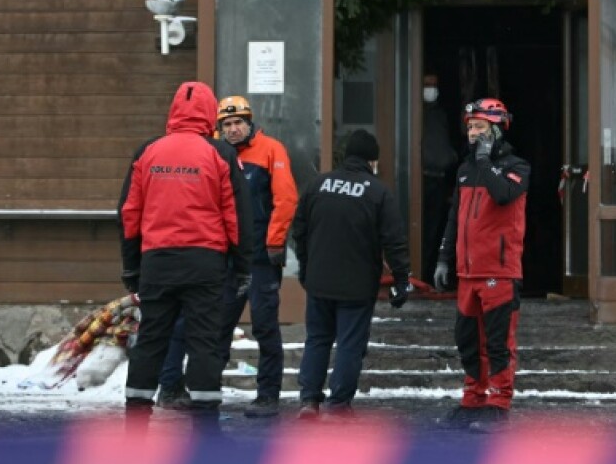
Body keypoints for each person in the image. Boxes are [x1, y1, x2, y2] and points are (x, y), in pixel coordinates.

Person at [118, 81, 253, 430]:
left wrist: (132, 268)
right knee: (204, 341)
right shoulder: (221, 153)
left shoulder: (147, 152)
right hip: (205, 262)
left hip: (157, 262)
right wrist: (242, 266)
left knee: (151, 339)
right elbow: (237, 215)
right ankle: (205, 429)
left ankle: (135, 423)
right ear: (210, 114)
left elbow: (129, 213)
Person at [156, 95, 298, 418]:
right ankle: (206, 392)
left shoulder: (271, 150)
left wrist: (275, 243)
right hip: (224, 259)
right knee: (216, 327)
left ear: (250, 123)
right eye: (227, 124)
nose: (233, 129)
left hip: (261, 258)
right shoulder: (213, 153)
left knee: (265, 326)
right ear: (218, 128)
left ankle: (268, 395)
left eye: (239, 123)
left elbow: (286, 199)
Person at [292, 129, 411, 418]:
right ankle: (339, 404)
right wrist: (401, 280)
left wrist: (307, 270)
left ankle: (309, 400)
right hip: (357, 286)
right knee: (349, 344)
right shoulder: (377, 192)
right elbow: (394, 241)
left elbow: (299, 232)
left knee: (317, 339)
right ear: (372, 161)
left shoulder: (317, 185)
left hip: (319, 282)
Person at [434, 98, 530, 428]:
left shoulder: (517, 167)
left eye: (479, 127)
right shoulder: (465, 170)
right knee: (467, 340)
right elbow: (454, 218)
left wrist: (487, 162)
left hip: (499, 270)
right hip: (467, 271)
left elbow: (503, 195)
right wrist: (444, 259)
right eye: (470, 127)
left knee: (498, 342)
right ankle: (473, 399)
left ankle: (498, 403)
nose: (472, 133)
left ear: (496, 129)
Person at [421, 73, 458, 287]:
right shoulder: (414, 112)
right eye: (426, 85)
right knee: (420, 230)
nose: (430, 89)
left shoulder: (442, 115)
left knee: (435, 231)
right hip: (419, 180)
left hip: (439, 179)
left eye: (434, 85)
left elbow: (448, 146)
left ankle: (428, 276)